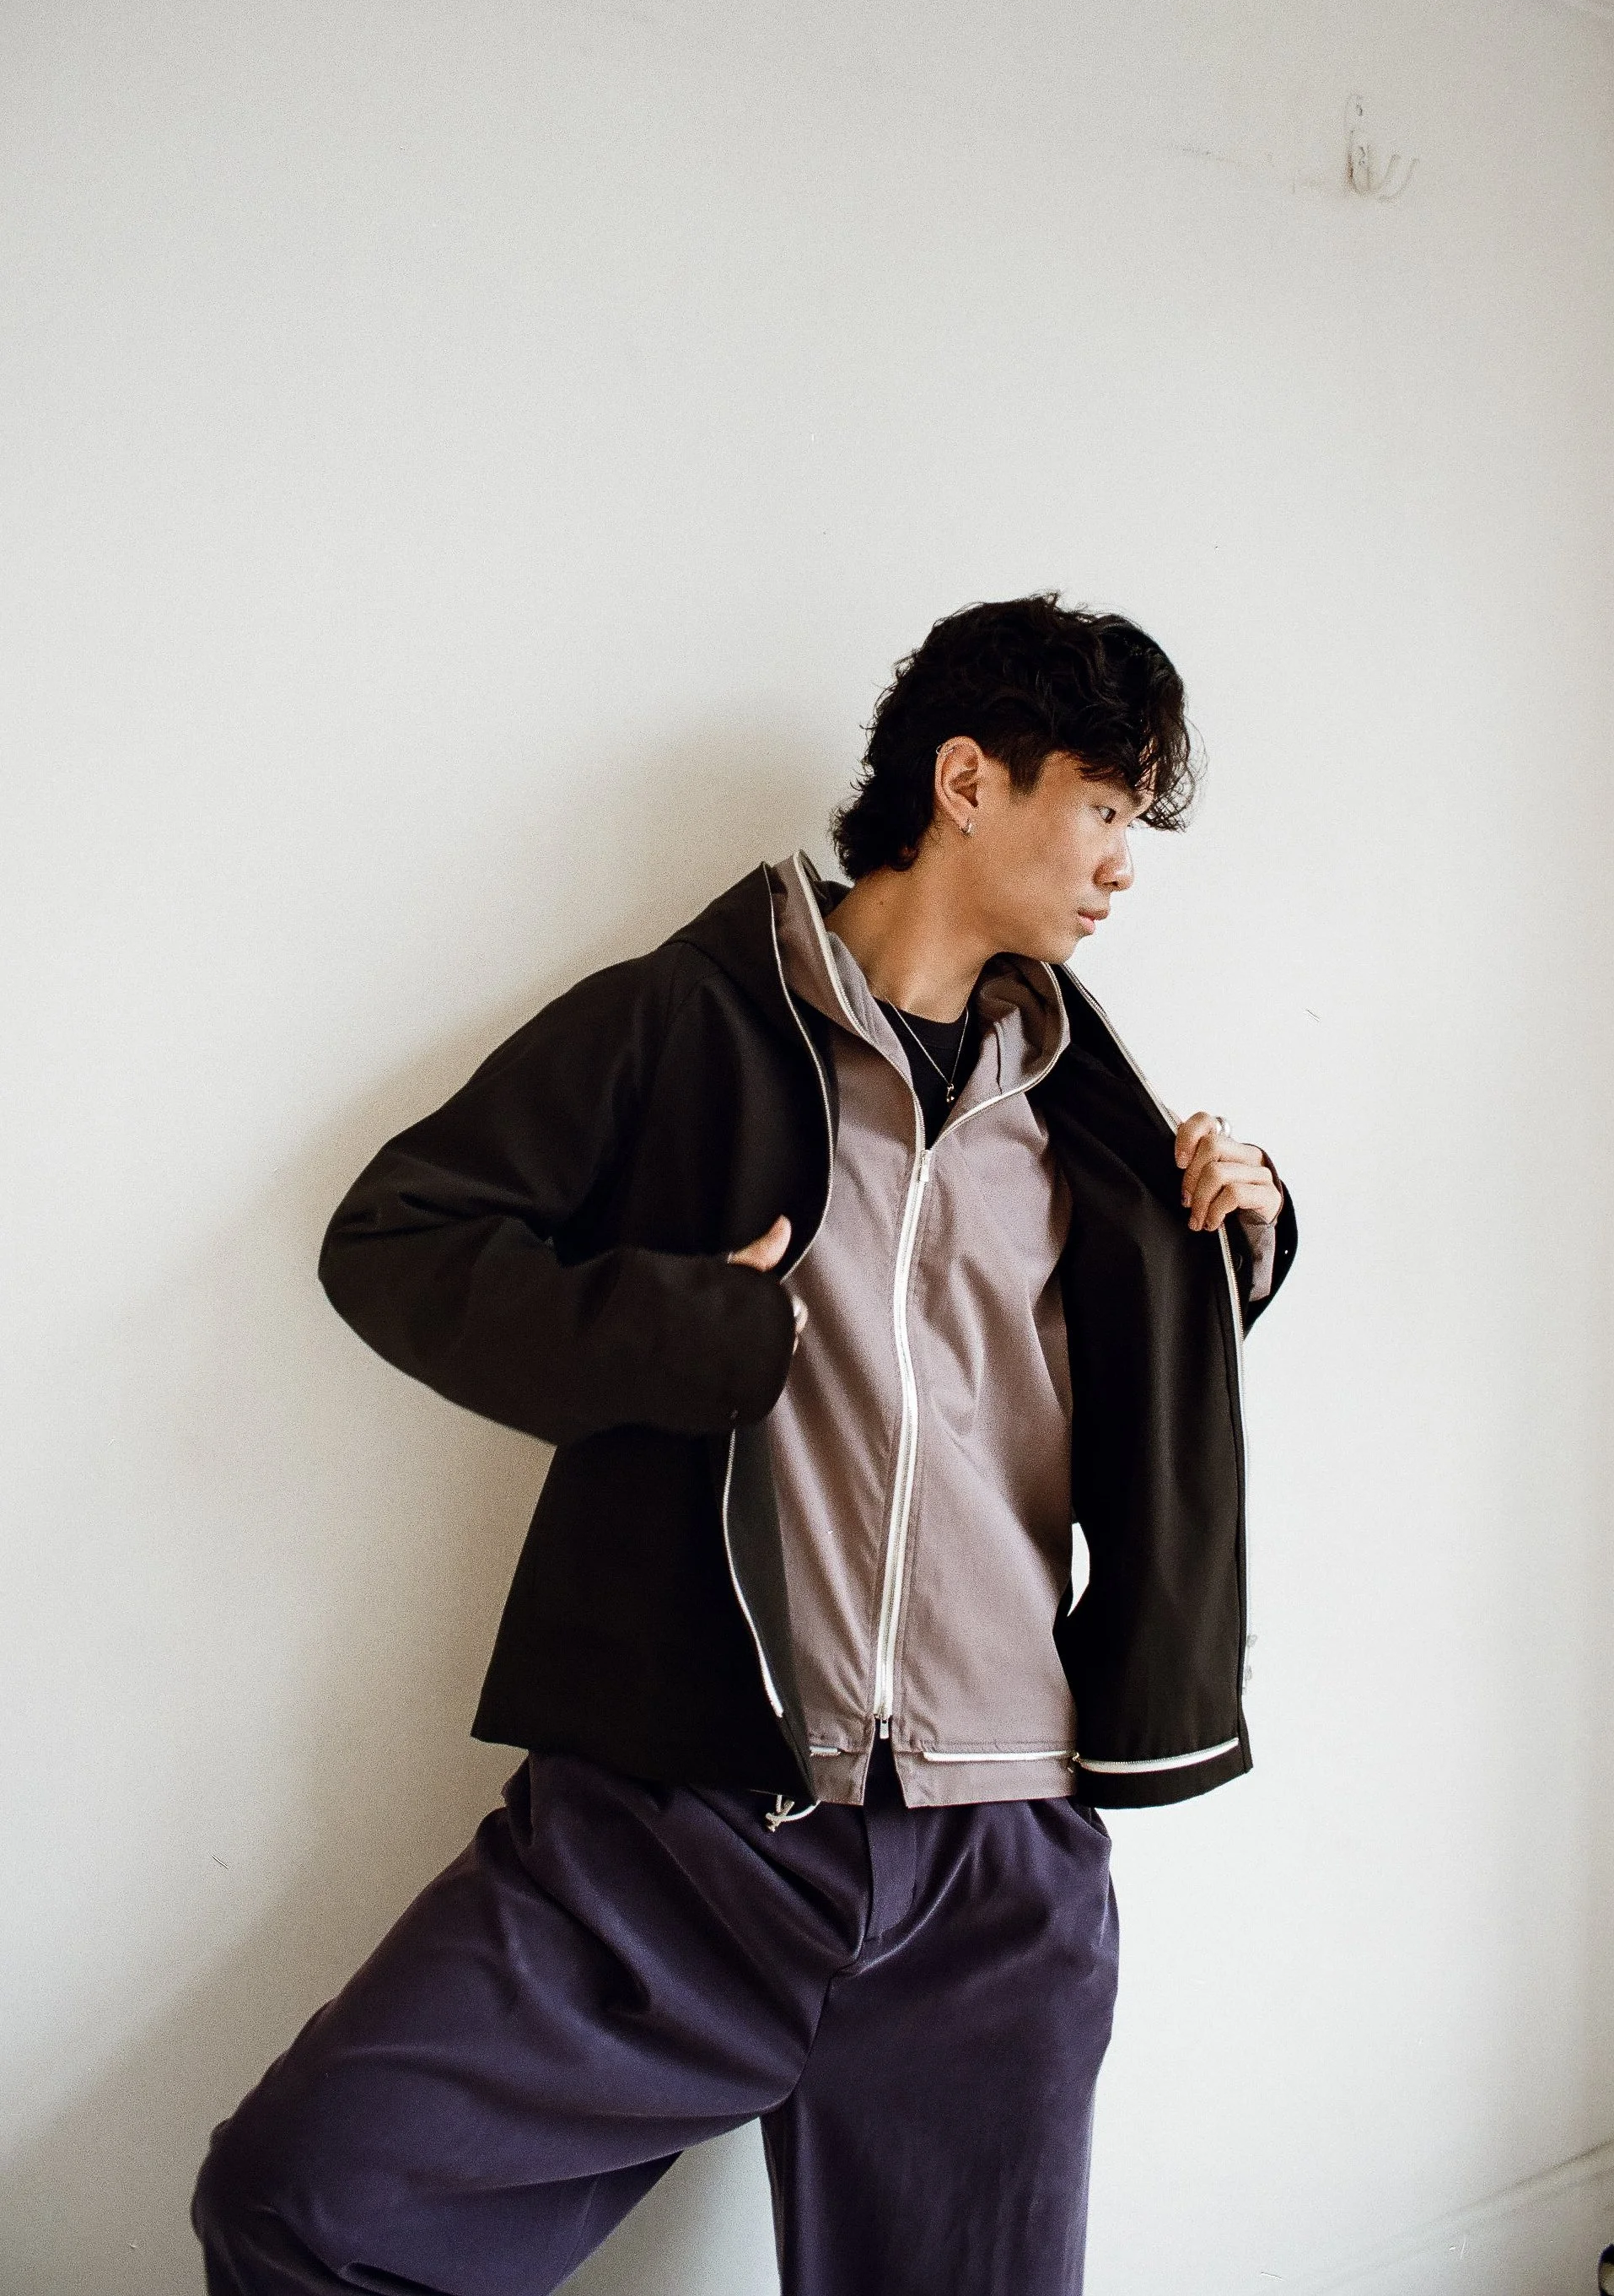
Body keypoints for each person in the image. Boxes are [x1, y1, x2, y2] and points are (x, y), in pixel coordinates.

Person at [191, 591, 1298, 2296]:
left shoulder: (1085, 1106)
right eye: (1103, 801)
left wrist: (1242, 1237)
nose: (1123, 861)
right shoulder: (686, 1024)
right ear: (967, 781)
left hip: (996, 1873)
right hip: (683, 1838)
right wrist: (678, 1330)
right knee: (305, 2199)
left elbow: (1105, 1398)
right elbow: (395, 1239)